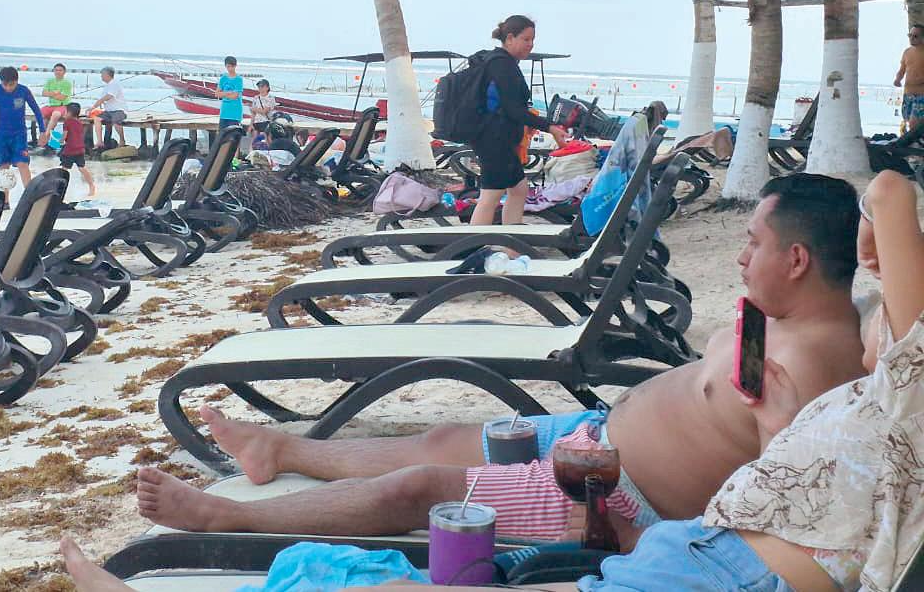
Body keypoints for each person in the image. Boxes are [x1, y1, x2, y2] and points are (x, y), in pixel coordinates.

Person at [61, 172, 924, 592]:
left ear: (797, 259)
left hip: (622, 493)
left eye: (754, 243)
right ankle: (279, 451)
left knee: (422, 488)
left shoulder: (830, 369)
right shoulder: (796, 322)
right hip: (605, 450)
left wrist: (626, 521)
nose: (738, 256)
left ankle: (221, 519)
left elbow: (786, 489)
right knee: (442, 443)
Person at [472, 16, 567, 226]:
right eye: (525, 39)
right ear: (509, 38)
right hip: (493, 140)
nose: (530, 44)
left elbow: (510, 107)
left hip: (499, 140)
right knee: (490, 196)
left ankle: (510, 236)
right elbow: (513, 109)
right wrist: (549, 127)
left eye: (532, 40)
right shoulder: (501, 64)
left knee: (518, 189)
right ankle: (476, 241)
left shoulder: (503, 62)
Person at [0, 66, 46, 206]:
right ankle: (5, 201)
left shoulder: (23, 91)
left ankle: (30, 198)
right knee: (4, 166)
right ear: (1, 82)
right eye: (5, 85)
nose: (8, 88)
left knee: (23, 163)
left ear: (17, 81)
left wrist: (42, 131)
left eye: (11, 84)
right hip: (0, 135)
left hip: (19, 134)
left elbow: (36, 110)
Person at [57, 102, 96, 198]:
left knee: (64, 169)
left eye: (65, 112)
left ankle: (60, 188)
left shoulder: (67, 122)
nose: (64, 114)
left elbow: (64, 136)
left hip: (70, 150)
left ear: (70, 113)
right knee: (82, 168)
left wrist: (59, 141)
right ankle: (91, 185)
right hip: (80, 149)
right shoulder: (79, 122)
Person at [88, 66, 126, 150]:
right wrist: (94, 108)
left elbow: (108, 97)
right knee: (97, 119)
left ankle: (122, 140)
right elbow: (103, 100)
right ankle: (100, 141)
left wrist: (94, 106)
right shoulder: (107, 85)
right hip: (108, 111)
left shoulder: (114, 84)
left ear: (106, 74)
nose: (101, 76)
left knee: (116, 121)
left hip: (119, 110)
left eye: (102, 74)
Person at [895, 23, 924, 133]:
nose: (911, 38)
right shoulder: (907, 52)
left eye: (915, 36)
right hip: (908, 94)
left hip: (921, 94)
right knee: (907, 120)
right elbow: (902, 69)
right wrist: (898, 79)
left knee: (914, 123)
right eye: (910, 35)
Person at [42, 62, 74, 128]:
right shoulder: (49, 81)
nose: (58, 72)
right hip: (51, 105)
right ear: (54, 71)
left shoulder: (67, 83)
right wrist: (55, 93)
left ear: (64, 72)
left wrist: (50, 94)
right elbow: (44, 93)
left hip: (63, 106)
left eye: (60, 70)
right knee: (40, 113)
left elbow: (62, 98)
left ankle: (48, 132)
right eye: (56, 70)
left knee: (55, 115)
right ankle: (43, 131)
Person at [217, 56, 244, 130]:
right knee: (222, 134)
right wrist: (228, 92)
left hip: (235, 113)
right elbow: (217, 94)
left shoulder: (238, 79)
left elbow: (235, 96)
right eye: (228, 66)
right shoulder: (223, 78)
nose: (230, 69)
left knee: (233, 134)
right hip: (224, 113)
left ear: (235, 66)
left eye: (232, 66)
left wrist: (223, 94)